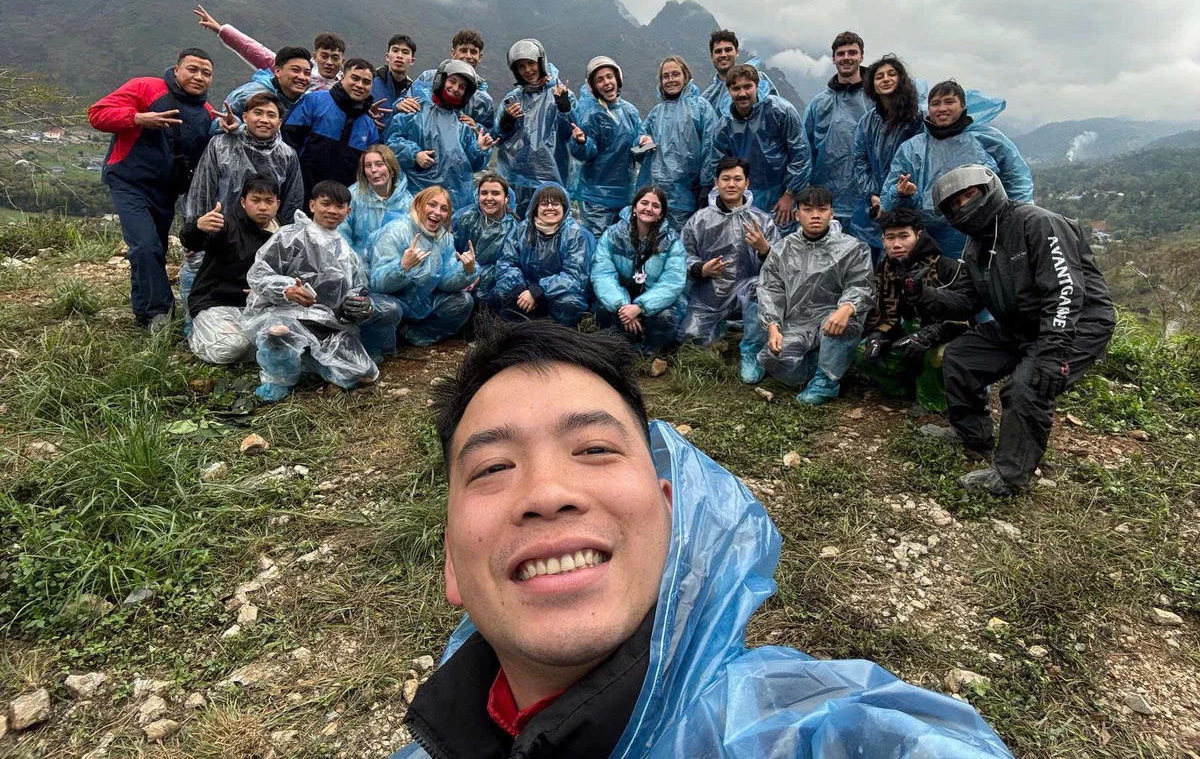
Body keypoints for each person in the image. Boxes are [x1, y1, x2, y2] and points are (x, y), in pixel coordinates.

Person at [393, 320, 1016, 758]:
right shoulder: (435, 740)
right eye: (494, 467)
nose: (547, 491)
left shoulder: (784, 729)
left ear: (674, 521)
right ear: (450, 560)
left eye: (595, 449)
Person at [909, 166, 1116, 497]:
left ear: (989, 189)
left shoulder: (1036, 222)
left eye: (968, 195)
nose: (963, 205)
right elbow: (965, 299)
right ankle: (972, 435)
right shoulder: (976, 245)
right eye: (954, 204)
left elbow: (1065, 291)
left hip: (1078, 323)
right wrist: (925, 297)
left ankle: (1009, 476)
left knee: (1027, 387)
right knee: (961, 356)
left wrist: (1053, 353)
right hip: (1021, 325)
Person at [88, 48, 217, 329]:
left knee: (151, 249)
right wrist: (137, 118)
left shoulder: (205, 112)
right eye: (192, 69)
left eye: (206, 73)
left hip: (166, 190)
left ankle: (143, 314)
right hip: (129, 182)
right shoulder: (146, 88)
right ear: (176, 69)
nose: (199, 77)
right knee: (145, 244)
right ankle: (161, 312)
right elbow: (97, 114)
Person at [242, 180, 379, 401]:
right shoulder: (289, 236)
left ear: (348, 211)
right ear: (312, 205)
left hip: (324, 323)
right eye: (326, 204)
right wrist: (285, 290)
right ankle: (278, 379)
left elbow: (356, 292)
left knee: (362, 373)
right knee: (278, 331)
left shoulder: (347, 254)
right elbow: (258, 274)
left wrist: (359, 307)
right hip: (282, 313)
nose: (332, 211)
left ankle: (307, 360)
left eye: (339, 206)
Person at [881, 80, 1033, 257]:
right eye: (935, 103)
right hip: (929, 245)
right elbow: (888, 203)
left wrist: (1015, 222)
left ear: (963, 105)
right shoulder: (911, 149)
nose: (942, 108)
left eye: (949, 102)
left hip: (987, 235)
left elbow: (1017, 181)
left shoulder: (988, 140)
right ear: (928, 108)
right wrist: (902, 194)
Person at [181, 92, 304, 310]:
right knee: (205, 291)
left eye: (271, 115)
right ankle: (193, 326)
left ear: (280, 122)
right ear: (245, 116)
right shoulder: (220, 145)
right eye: (258, 113)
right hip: (220, 235)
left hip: (266, 239)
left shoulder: (287, 155)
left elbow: (292, 202)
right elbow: (203, 189)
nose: (264, 120)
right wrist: (196, 231)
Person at [756, 185, 873, 403]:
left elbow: (861, 285)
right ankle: (817, 361)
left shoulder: (852, 248)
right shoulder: (783, 249)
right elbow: (770, 289)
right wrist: (773, 327)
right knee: (775, 359)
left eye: (822, 209)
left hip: (836, 318)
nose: (816, 215)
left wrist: (846, 308)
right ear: (797, 214)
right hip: (798, 322)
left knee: (838, 326)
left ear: (832, 212)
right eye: (808, 210)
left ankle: (826, 381)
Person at [859, 208, 970, 414]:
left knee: (937, 354)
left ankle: (934, 400)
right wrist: (877, 334)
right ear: (882, 240)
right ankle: (905, 387)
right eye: (890, 238)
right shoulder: (884, 270)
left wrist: (929, 335)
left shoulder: (946, 268)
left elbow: (965, 317)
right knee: (860, 351)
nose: (897, 244)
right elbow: (882, 313)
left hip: (945, 333)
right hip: (907, 329)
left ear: (918, 236)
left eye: (904, 236)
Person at [679, 156, 779, 383]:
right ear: (716, 183)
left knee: (758, 288)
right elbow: (682, 255)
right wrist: (700, 268)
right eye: (725, 179)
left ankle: (751, 350)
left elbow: (782, 268)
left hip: (750, 294)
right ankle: (722, 325)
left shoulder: (762, 221)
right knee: (688, 339)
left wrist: (765, 250)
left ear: (747, 183)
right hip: (709, 295)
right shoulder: (699, 220)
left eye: (737, 179)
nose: (731, 184)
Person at [181, 174, 282, 365]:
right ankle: (197, 334)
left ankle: (254, 345)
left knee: (293, 338)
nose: (262, 207)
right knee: (232, 347)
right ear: (243, 202)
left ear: (278, 203)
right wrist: (197, 227)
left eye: (269, 201)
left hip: (261, 306)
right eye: (255, 200)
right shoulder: (227, 225)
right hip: (217, 302)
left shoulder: (284, 232)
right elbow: (194, 241)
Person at [367, 186, 478, 351]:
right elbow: (377, 283)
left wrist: (467, 270)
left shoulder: (444, 238)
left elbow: (445, 281)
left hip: (420, 301)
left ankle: (412, 334)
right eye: (432, 205)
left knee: (463, 301)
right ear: (419, 205)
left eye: (444, 209)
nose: (437, 212)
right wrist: (402, 267)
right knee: (388, 310)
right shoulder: (396, 230)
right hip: (390, 299)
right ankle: (381, 345)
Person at [383, 59, 496, 214]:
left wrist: (479, 149)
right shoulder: (415, 107)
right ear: (441, 80)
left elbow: (473, 165)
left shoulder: (463, 124)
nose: (455, 89)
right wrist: (414, 155)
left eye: (462, 87)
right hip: (413, 196)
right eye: (452, 81)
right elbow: (391, 141)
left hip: (451, 204)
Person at [710, 64, 810, 233]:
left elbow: (800, 154)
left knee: (781, 250)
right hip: (743, 201)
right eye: (736, 88)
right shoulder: (724, 126)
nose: (742, 93)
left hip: (782, 199)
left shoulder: (781, 111)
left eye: (747, 86)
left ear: (757, 85)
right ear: (729, 90)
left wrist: (789, 194)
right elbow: (719, 166)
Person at [591, 185, 687, 354]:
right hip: (622, 300)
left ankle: (653, 352)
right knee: (602, 309)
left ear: (661, 214)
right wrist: (622, 306)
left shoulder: (672, 242)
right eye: (644, 203)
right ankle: (618, 348)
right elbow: (602, 273)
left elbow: (672, 283)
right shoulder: (613, 235)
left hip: (655, 302)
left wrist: (640, 307)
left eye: (656, 206)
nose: (649, 209)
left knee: (666, 318)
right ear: (635, 207)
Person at [493, 39, 577, 217]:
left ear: (541, 62)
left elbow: (575, 135)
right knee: (513, 231)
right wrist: (506, 121)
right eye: (521, 66)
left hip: (550, 179)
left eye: (531, 63)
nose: (527, 70)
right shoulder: (513, 99)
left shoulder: (560, 94)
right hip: (515, 178)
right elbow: (497, 138)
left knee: (547, 231)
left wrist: (564, 108)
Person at [803, 32, 872, 242]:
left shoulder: (875, 99)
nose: (846, 58)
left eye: (852, 52)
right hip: (825, 200)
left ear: (862, 56)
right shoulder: (819, 104)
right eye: (841, 54)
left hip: (868, 199)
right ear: (833, 59)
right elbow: (804, 149)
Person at [494, 182, 595, 326]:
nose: (550, 208)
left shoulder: (575, 234)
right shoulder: (523, 229)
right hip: (526, 290)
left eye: (556, 204)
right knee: (501, 292)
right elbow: (507, 261)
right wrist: (519, 288)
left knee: (569, 303)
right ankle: (518, 329)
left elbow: (575, 276)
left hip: (559, 292)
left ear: (564, 208)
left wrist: (539, 290)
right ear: (535, 208)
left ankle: (559, 333)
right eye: (544, 204)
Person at [636, 56, 718, 232]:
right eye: (666, 76)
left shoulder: (701, 108)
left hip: (688, 196)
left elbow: (711, 147)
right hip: (656, 198)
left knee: (683, 250)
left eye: (675, 74)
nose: (670, 80)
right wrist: (643, 143)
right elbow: (638, 152)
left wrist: (706, 185)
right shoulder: (656, 112)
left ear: (685, 76)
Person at [282, 57, 381, 203]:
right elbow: (287, 143)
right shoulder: (314, 101)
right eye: (355, 78)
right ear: (342, 77)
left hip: (337, 206)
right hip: (299, 194)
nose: (360, 85)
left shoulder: (369, 126)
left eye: (366, 82)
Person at [853, 54, 925, 252]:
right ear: (872, 85)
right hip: (874, 202)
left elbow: (922, 160)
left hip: (908, 199)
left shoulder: (916, 119)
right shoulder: (867, 122)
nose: (885, 79)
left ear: (901, 79)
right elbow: (860, 160)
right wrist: (875, 195)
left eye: (891, 74)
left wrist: (896, 195)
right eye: (879, 76)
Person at [567, 56, 642, 236]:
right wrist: (581, 142)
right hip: (596, 197)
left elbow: (638, 140)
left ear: (618, 79)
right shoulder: (591, 114)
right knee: (598, 246)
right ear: (593, 87)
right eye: (599, 79)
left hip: (624, 194)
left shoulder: (630, 111)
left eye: (609, 76)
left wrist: (643, 142)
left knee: (622, 248)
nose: (606, 82)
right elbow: (586, 152)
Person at [194, 5, 345, 91]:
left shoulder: (348, 85)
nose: (329, 62)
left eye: (335, 58)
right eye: (324, 56)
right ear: (315, 56)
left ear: (342, 61)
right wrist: (221, 30)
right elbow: (254, 51)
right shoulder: (297, 74)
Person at [452, 173, 518, 311]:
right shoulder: (466, 218)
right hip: (460, 272)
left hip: (490, 282)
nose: (489, 198)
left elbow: (508, 264)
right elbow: (451, 250)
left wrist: (478, 275)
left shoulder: (514, 229)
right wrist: (464, 272)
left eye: (495, 193)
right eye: (484, 193)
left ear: (506, 198)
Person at [337, 144, 413, 258]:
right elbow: (341, 233)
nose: (373, 170)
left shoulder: (407, 201)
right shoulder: (353, 196)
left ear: (392, 169)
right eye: (368, 166)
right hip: (356, 265)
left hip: (393, 267)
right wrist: (354, 263)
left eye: (379, 164)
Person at [214, 46, 313, 132]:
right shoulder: (250, 95)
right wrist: (236, 125)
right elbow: (219, 124)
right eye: (295, 70)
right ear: (277, 71)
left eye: (307, 73)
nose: (302, 77)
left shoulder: (306, 103)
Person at [411, 29, 495, 130]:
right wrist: (401, 103)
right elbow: (408, 101)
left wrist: (476, 127)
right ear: (453, 53)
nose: (468, 56)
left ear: (480, 57)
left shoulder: (483, 99)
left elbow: (491, 133)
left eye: (473, 52)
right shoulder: (428, 78)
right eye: (463, 50)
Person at [700, 28, 777, 117]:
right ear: (711, 57)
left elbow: (778, 113)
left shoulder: (760, 80)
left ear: (737, 52)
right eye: (718, 51)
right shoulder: (707, 99)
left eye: (728, 50)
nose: (723, 55)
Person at [372, 34, 418, 108]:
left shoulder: (412, 91)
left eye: (405, 52)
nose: (399, 55)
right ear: (387, 56)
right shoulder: (370, 81)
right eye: (395, 50)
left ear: (412, 61)